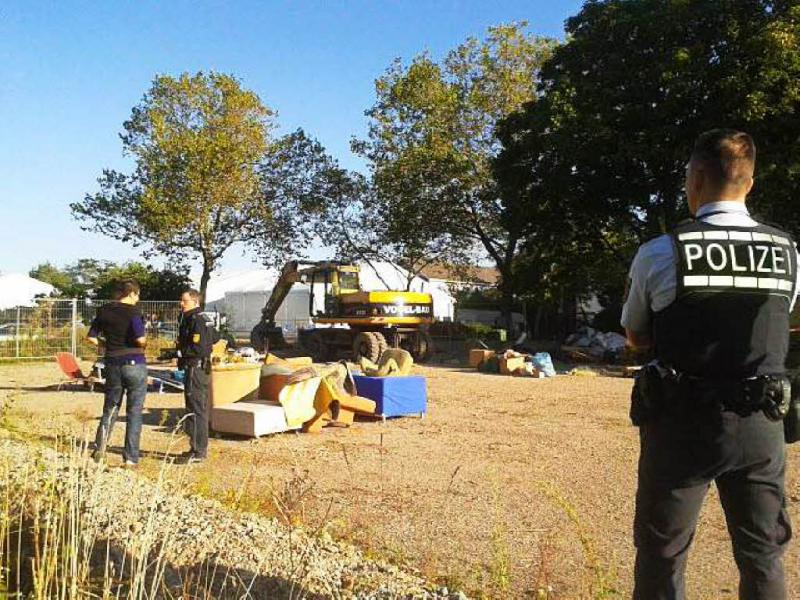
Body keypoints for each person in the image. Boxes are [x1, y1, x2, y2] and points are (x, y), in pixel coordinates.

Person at [622, 129, 799, 599]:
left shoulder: (660, 252)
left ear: (695, 179)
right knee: (763, 555)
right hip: (761, 423)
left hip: (681, 421)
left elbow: (636, 335)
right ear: (750, 183)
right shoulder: (787, 254)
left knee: (663, 553)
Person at [89, 279, 148, 467]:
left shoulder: (104, 311)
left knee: (111, 408)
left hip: (113, 363)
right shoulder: (134, 312)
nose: (138, 300)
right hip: (135, 363)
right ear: (132, 294)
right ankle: (130, 458)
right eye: (137, 296)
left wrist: (107, 346)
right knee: (134, 411)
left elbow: (91, 338)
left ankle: (99, 450)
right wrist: (143, 345)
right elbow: (140, 338)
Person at [176, 288, 217, 463]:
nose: (181, 304)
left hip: (196, 367)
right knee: (198, 407)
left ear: (195, 301)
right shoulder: (205, 318)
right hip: (202, 368)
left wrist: (179, 352)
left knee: (195, 409)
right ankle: (197, 448)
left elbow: (198, 347)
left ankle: (198, 451)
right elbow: (215, 337)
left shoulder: (195, 319)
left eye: (184, 301)